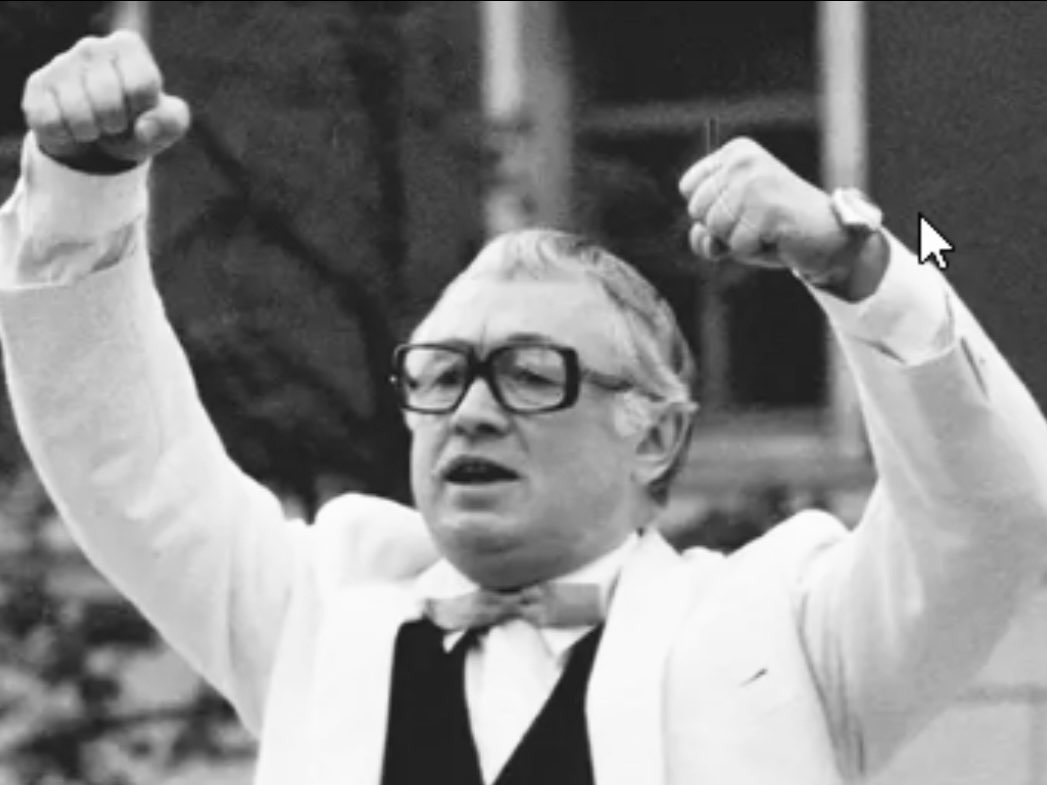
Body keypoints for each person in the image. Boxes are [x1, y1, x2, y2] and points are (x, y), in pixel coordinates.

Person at [3, 29, 1047, 785]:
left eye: (530, 372)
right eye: (441, 372)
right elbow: (127, 461)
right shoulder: (316, 613)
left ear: (656, 432)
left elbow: (990, 509)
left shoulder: (787, 631)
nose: (470, 411)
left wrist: (856, 263)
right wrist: (82, 185)